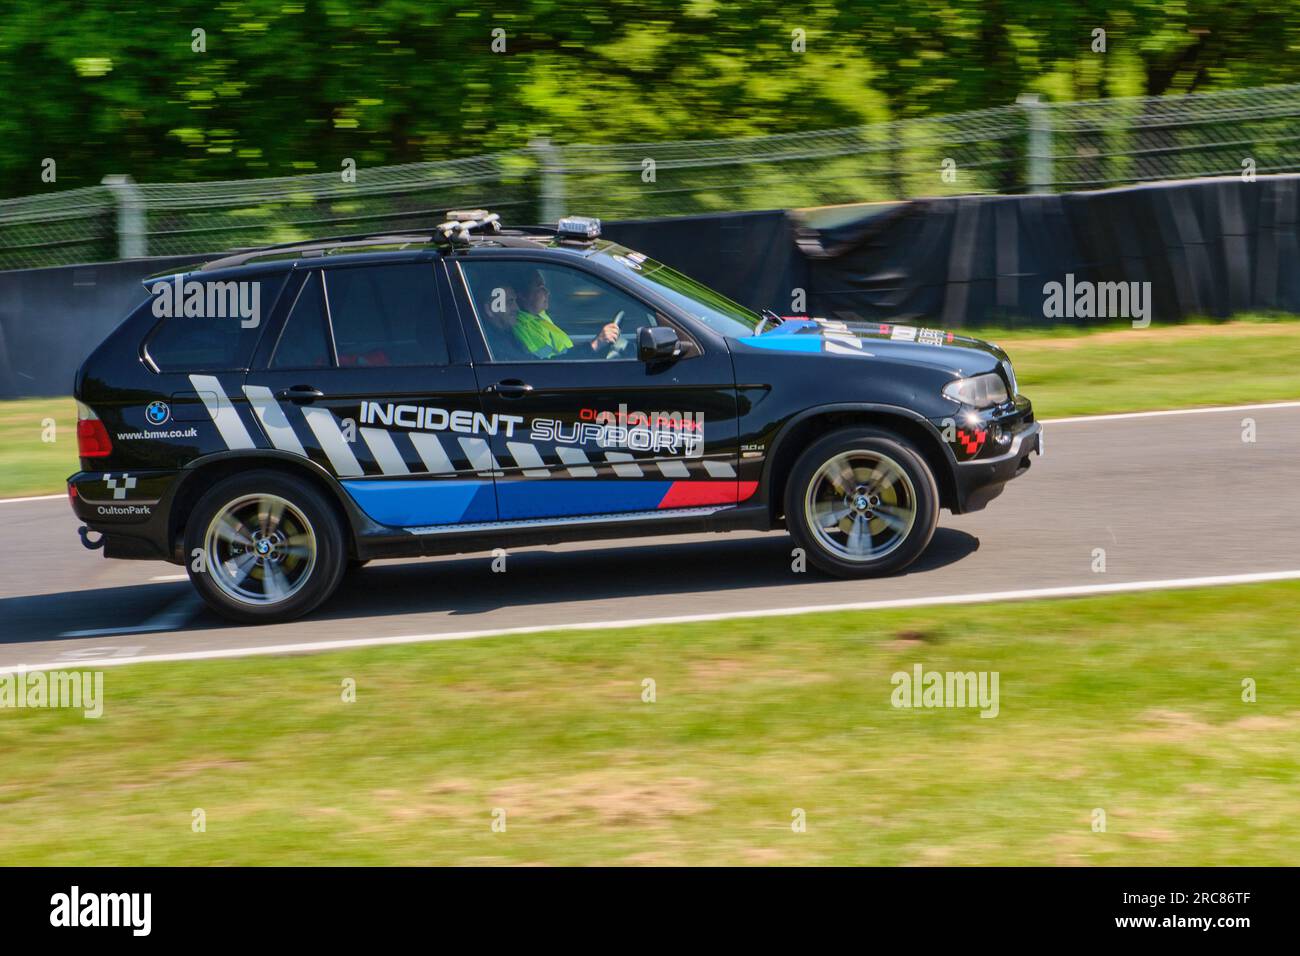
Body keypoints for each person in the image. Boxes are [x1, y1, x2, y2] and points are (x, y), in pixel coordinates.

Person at [510, 270, 621, 359]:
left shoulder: (539, 315)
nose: (547, 292)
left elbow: (564, 350)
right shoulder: (523, 327)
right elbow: (551, 364)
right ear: (522, 295)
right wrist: (595, 344)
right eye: (540, 288)